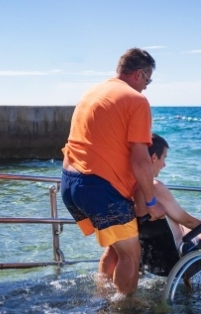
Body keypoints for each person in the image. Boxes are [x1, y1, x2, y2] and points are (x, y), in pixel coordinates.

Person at [60, 48, 166, 296]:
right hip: (100, 188)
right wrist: (151, 201)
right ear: (139, 74)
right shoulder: (136, 100)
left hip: (70, 183)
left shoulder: (93, 92)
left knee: (116, 247)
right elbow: (141, 160)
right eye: (148, 80)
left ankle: (103, 297)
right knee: (131, 254)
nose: (147, 87)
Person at [134, 133, 201, 249]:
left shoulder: (133, 189)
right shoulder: (156, 188)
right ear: (154, 158)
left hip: (156, 252)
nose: (164, 164)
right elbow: (188, 222)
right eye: (164, 158)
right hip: (181, 248)